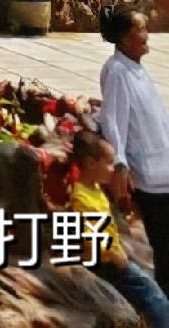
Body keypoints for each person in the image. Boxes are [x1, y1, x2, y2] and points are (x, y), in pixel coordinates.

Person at [69, 122, 169, 328]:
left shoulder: (95, 189)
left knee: (148, 280)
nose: (113, 168)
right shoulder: (81, 197)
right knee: (153, 294)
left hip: (115, 256)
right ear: (90, 163)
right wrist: (118, 257)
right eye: (109, 162)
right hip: (106, 264)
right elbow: (93, 235)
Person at [98, 5, 169, 277]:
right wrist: (120, 165)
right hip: (149, 175)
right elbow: (113, 120)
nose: (146, 34)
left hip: (162, 166)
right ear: (126, 39)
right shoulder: (116, 71)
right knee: (163, 243)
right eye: (140, 29)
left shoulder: (134, 68)